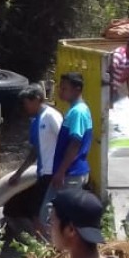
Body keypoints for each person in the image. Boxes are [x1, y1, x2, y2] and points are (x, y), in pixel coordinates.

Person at [6, 84, 63, 238]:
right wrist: (19, 173)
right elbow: (34, 151)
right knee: (35, 210)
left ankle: (48, 243)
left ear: (37, 99)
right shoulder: (35, 121)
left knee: (41, 211)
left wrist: (62, 171)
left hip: (53, 172)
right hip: (43, 172)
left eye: (26, 103)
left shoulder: (51, 116)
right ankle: (43, 242)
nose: (25, 107)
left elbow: (64, 141)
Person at [46, 72, 93, 223]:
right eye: (60, 87)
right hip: (71, 172)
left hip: (70, 174)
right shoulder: (76, 110)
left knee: (50, 216)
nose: (60, 91)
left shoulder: (78, 112)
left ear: (77, 89)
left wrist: (60, 172)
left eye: (64, 88)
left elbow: (75, 144)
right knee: (62, 217)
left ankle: (52, 246)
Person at [105, 20, 129, 101]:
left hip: (114, 90)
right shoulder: (118, 54)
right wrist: (110, 88)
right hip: (106, 90)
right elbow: (109, 70)